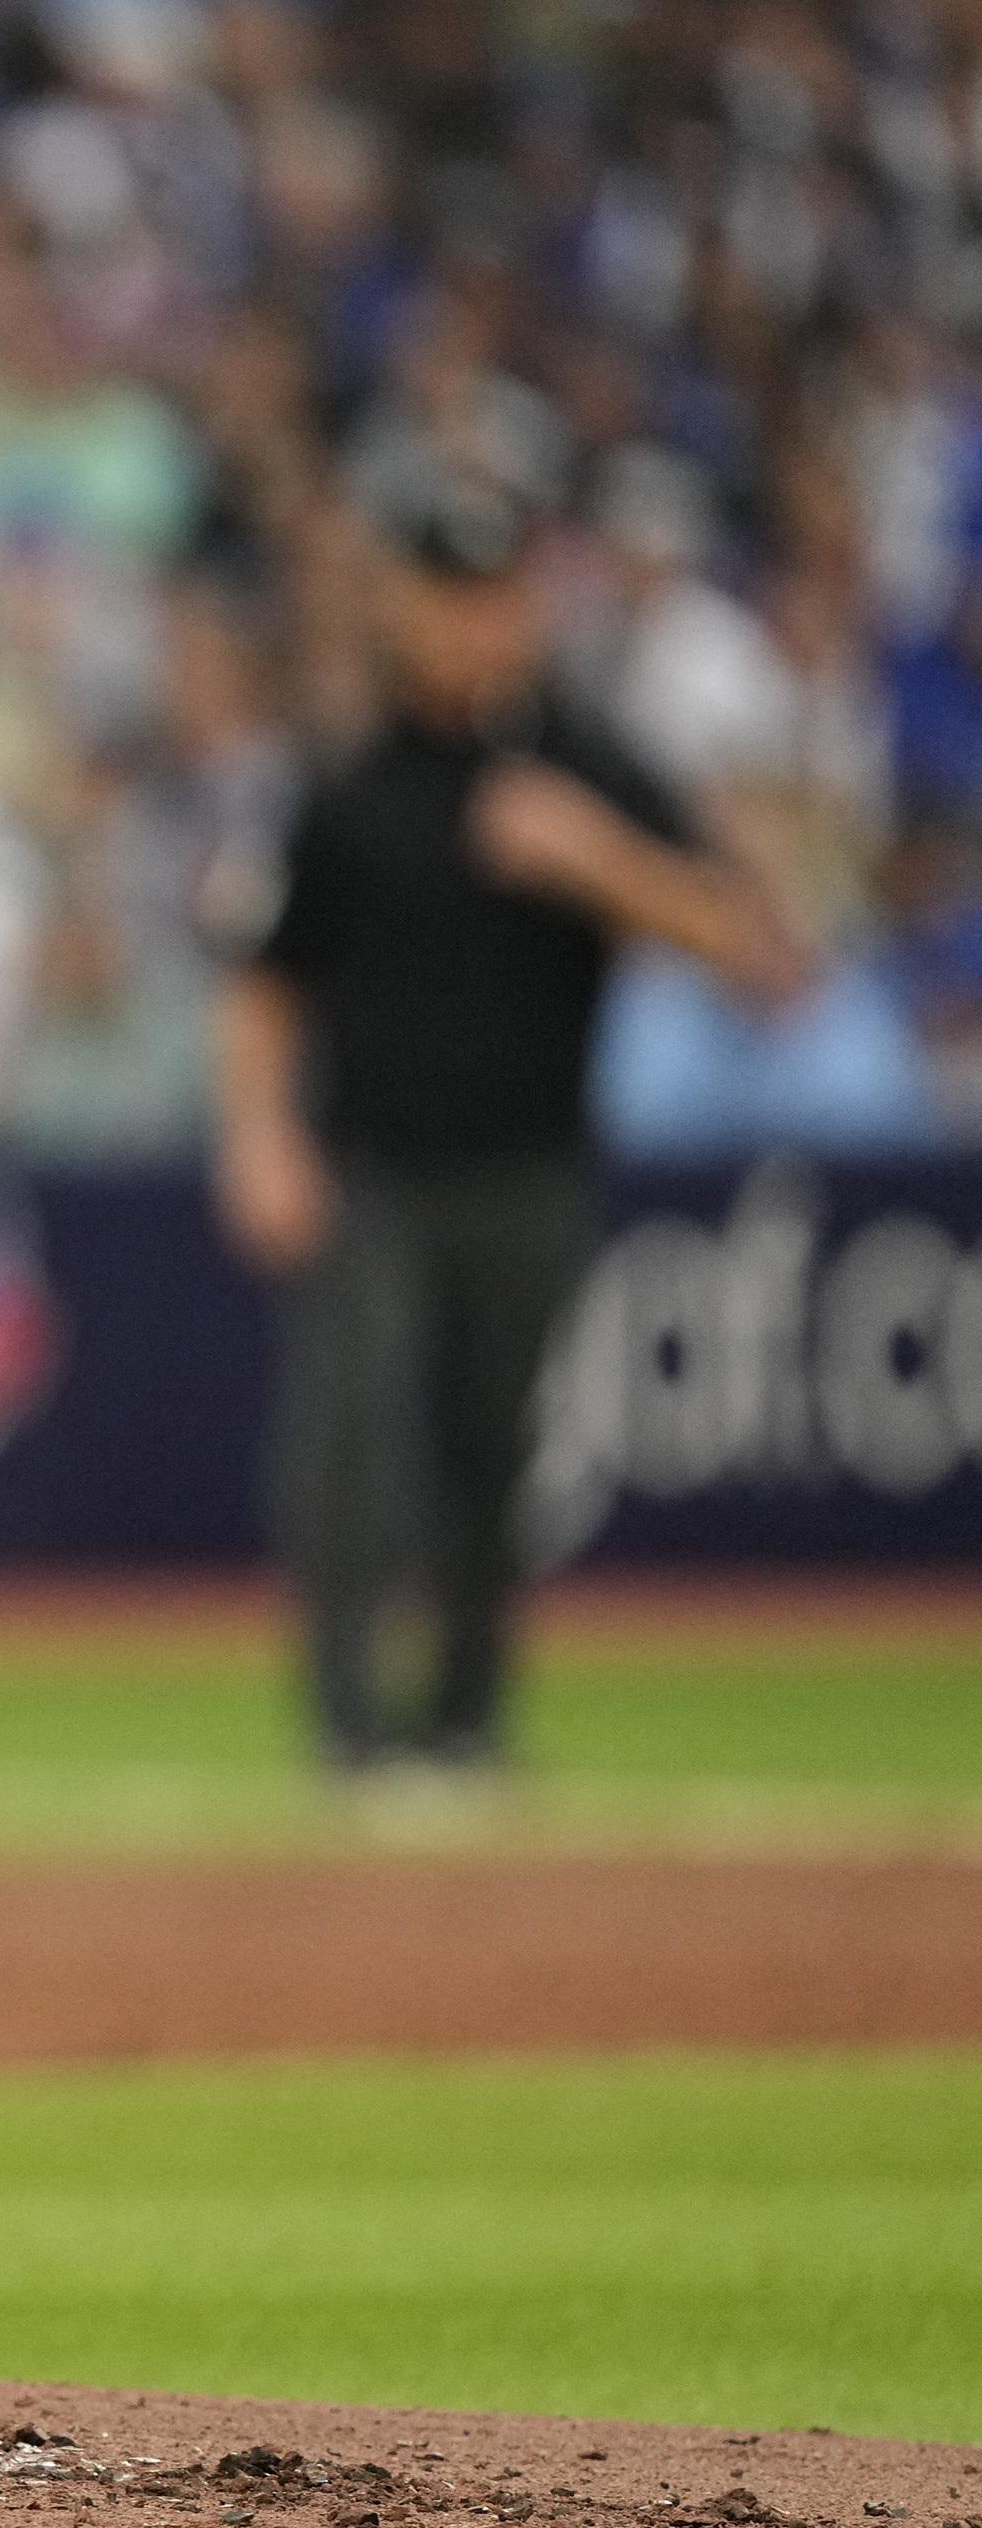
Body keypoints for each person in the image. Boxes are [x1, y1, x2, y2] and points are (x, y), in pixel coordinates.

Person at [213, 471, 808, 1774]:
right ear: (402, 607)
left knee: (495, 1447)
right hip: (373, 1161)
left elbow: (758, 954)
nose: (479, 625)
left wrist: (598, 861)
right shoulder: (351, 783)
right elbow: (267, 982)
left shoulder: (587, 756)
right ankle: (352, 1725)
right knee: (354, 1439)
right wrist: (258, 1134)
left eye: (500, 597)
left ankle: (469, 1716)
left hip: (529, 1163)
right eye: (453, 597)